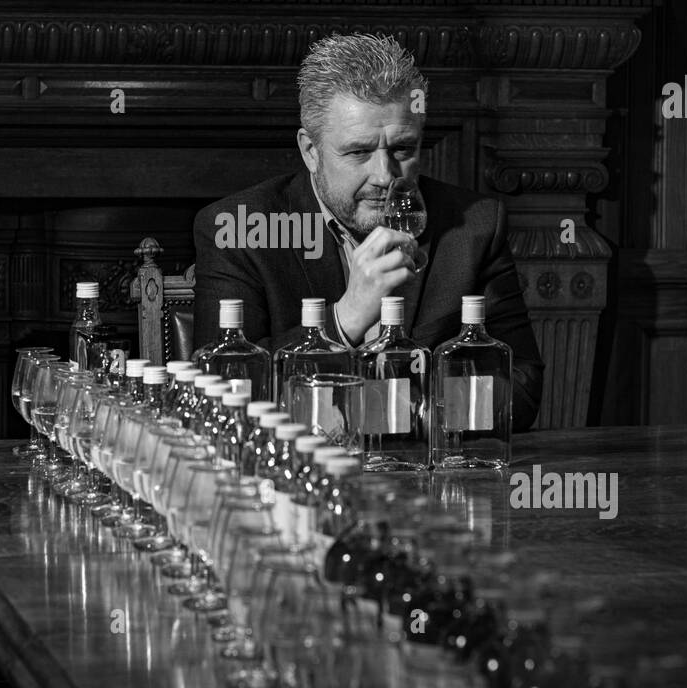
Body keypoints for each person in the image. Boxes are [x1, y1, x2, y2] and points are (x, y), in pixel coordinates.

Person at [193, 33, 543, 431]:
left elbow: (522, 388)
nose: (384, 176)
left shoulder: (476, 225)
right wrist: (344, 319)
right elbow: (219, 399)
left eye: (402, 149)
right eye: (359, 152)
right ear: (311, 151)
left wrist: (397, 416)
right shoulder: (240, 227)